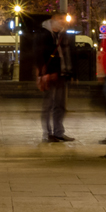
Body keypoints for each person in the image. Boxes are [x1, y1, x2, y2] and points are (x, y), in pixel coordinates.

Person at [33, 13, 73, 142]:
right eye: (60, 19)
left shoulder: (63, 34)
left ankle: (59, 132)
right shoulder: (44, 33)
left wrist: (71, 73)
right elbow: (38, 53)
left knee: (60, 105)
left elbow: (69, 54)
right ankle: (48, 133)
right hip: (49, 75)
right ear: (53, 19)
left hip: (61, 74)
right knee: (48, 105)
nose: (63, 22)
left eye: (64, 19)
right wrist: (44, 73)